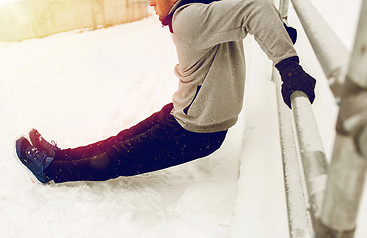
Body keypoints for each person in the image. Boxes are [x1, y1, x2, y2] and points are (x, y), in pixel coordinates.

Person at [15, 0, 316, 184]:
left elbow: (255, 8)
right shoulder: (200, 11)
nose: (149, 4)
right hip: (184, 114)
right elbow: (248, 12)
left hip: (198, 132)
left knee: (118, 157)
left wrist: (288, 66)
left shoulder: (190, 18)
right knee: (121, 139)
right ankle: (61, 154)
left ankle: (51, 170)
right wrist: (275, 30)